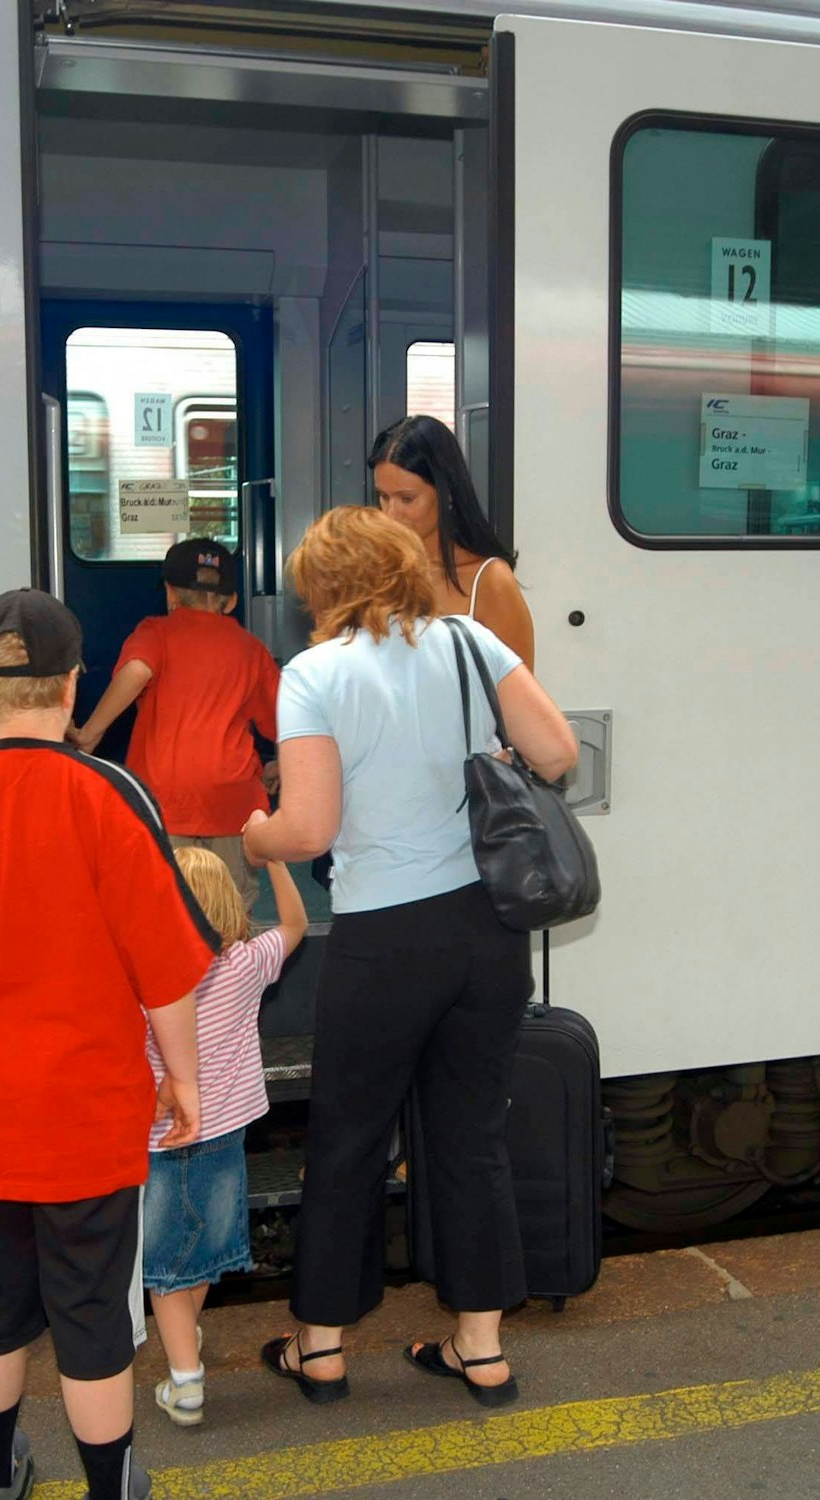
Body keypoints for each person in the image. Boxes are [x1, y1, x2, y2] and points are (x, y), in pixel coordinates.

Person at [0, 587, 218, 1500]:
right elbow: (166, 972)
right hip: (88, 1120)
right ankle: (110, 1487)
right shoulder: (112, 796)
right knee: (95, 1317)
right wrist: (184, 1081)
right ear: (72, 685)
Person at [240, 507, 577, 1409]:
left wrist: (257, 834)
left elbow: (307, 826)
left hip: (384, 942)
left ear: (324, 588)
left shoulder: (313, 674)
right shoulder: (471, 643)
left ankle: (320, 1350)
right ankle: (481, 1349)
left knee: (348, 1140)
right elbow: (559, 752)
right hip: (486, 935)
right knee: (469, 1137)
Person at [145, 846, 307, 1428]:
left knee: (165, 1268)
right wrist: (274, 859)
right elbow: (295, 924)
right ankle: (185, 1338)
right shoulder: (247, 963)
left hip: (162, 1138)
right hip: (228, 1132)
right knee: (205, 1250)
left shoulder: (148, 978)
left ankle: (186, 1381)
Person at [69, 538, 280, 907]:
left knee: (165, 907)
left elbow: (136, 670)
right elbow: (286, 722)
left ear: (170, 594)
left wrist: (90, 733)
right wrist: (284, 766)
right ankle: (232, 964)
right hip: (231, 803)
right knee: (229, 908)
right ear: (230, 601)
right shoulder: (251, 649)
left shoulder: (156, 633)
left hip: (165, 802)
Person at [370, 414, 536, 672]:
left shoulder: (490, 580)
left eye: (406, 499)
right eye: (383, 497)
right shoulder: (373, 574)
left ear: (447, 493)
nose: (391, 513)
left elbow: (520, 700)